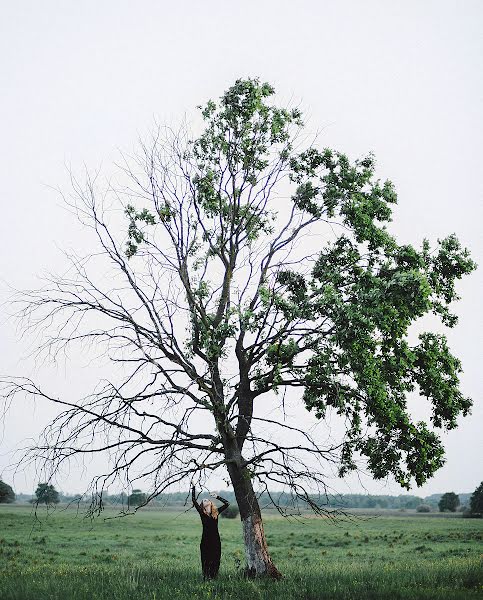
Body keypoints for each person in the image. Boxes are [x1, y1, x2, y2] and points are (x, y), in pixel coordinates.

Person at [192, 486, 230, 579]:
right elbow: (193, 500)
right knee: (206, 559)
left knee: (216, 558)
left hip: (216, 540)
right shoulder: (202, 513)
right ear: (202, 504)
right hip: (205, 540)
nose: (206, 500)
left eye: (207, 499)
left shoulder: (216, 513)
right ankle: (206, 577)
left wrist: (217, 497)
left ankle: (214, 577)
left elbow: (227, 503)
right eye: (204, 500)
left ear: (210, 502)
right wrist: (193, 487)